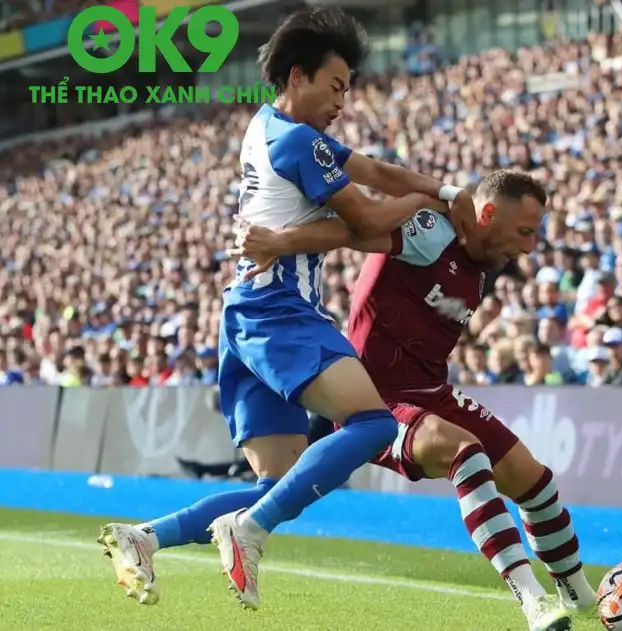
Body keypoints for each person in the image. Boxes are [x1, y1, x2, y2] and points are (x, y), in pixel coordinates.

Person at [97, 5, 477, 610]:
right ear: (297, 75)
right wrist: (425, 207)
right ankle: (247, 532)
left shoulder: (267, 125)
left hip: (245, 311)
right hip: (281, 312)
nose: (342, 102)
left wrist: (445, 189)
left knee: (274, 485)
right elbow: (368, 220)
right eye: (336, 86)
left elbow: (372, 170)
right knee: (375, 424)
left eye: (348, 90)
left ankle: (145, 538)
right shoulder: (299, 141)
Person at [232, 170, 597, 631]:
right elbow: (353, 232)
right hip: (374, 402)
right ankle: (533, 600)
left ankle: (582, 596)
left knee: (536, 483)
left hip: (432, 390)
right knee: (466, 453)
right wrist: (279, 242)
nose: (529, 247)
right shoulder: (432, 231)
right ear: (486, 213)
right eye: (524, 231)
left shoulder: (487, 257)